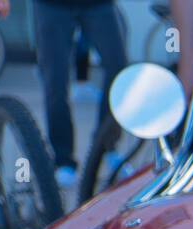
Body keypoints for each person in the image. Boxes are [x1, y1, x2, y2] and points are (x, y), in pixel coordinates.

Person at [25, 0, 127, 189]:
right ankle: (63, 160)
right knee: (55, 81)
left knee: (118, 70)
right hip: (52, 6)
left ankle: (106, 145)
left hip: (99, 5)